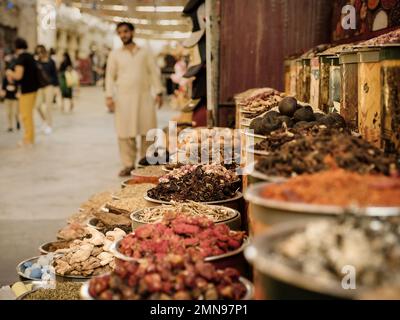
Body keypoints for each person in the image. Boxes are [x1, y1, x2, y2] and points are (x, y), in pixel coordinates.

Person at [105, 22, 164, 177]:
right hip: (123, 99)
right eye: (120, 33)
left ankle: (145, 163)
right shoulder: (115, 54)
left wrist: (158, 92)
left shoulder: (144, 52)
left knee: (147, 131)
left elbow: (153, 72)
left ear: (132, 32)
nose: (123, 35)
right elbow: (110, 76)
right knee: (125, 133)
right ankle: (128, 164)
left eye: (125, 31)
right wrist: (109, 96)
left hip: (144, 97)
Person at [6, 38, 39, 146]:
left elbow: (18, 76)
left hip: (26, 90)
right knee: (28, 114)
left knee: (25, 115)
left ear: (16, 47)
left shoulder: (21, 58)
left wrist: (10, 72)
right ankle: (31, 138)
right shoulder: (30, 56)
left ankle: (27, 139)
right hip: (34, 89)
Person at [35, 45, 58, 134]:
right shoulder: (37, 62)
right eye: (38, 52)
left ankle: (49, 125)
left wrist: (56, 87)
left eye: (41, 51)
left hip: (49, 86)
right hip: (40, 87)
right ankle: (44, 120)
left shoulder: (51, 61)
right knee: (37, 106)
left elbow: (55, 74)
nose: (40, 54)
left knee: (48, 106)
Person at [1, 67, 18, 132]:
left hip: (14, 99)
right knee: (8, 113)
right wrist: (2, 93)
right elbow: (3, 89)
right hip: (7, 98)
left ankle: (17, 121)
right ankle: (10, 126)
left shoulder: (15, 79)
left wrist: (18, 92)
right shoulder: (5, 79)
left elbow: (18, 88)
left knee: (14, 112)